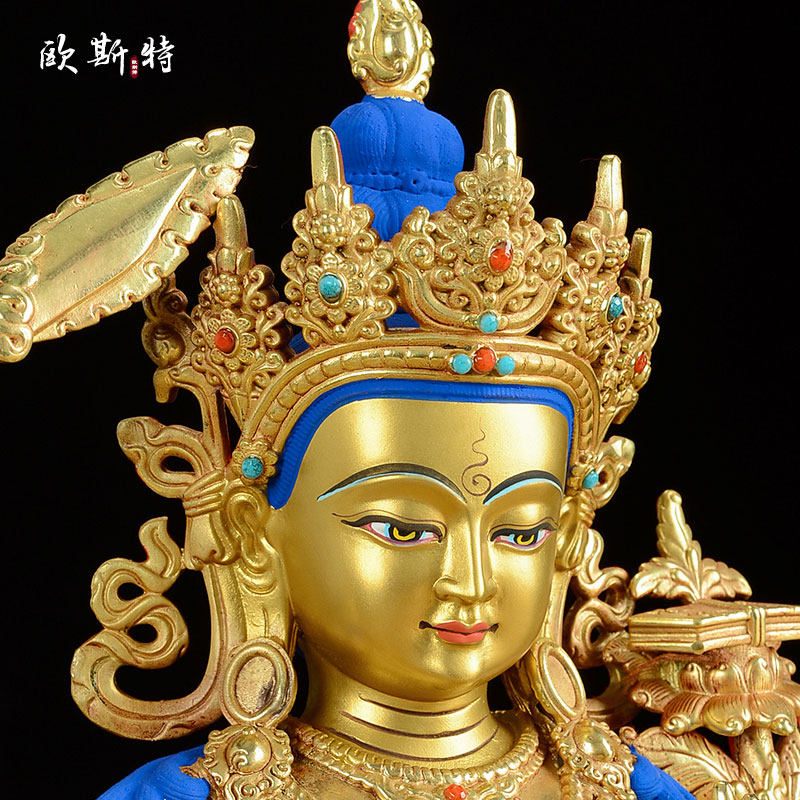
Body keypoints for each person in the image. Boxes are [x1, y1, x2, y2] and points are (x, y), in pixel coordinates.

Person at [1, 2, 795, 799]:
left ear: (568, 535)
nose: (468, 582)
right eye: (404, 527)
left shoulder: (620, 784)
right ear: (253, 529)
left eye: (521, 532)